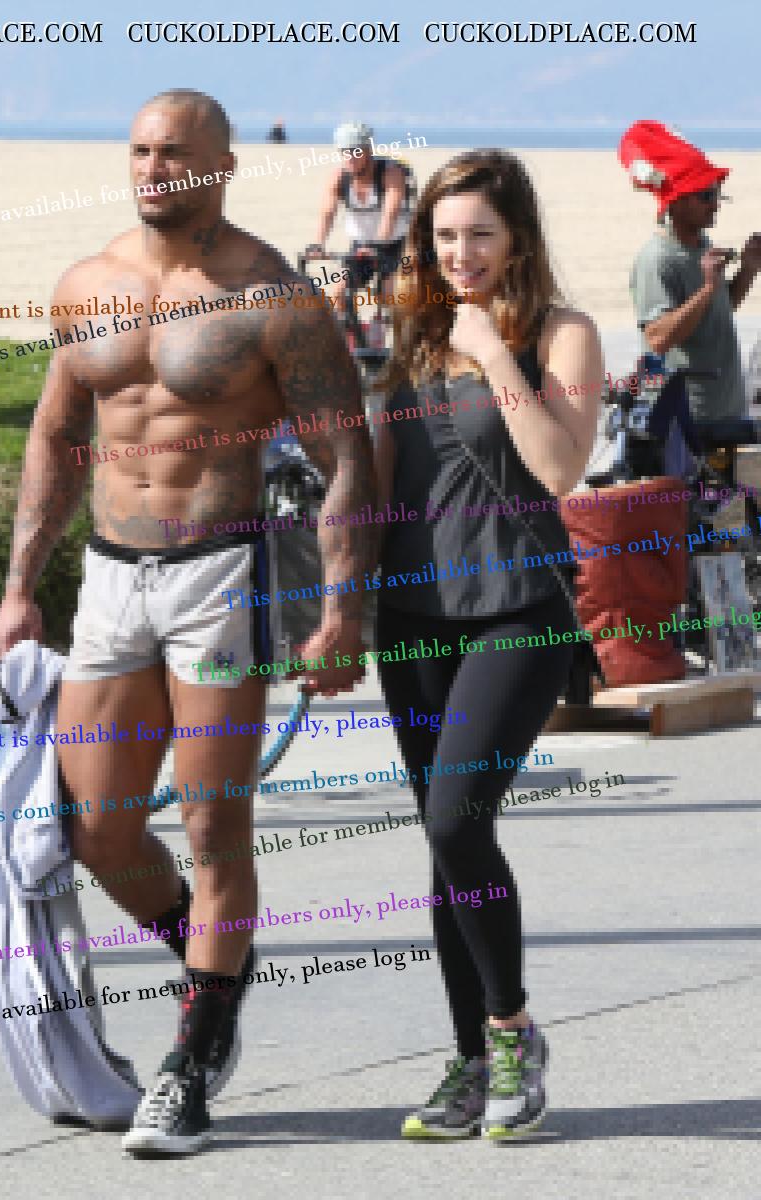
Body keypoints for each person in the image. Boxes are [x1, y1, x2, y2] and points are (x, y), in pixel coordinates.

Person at [0, 88, 374, 1157]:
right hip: (111, 580)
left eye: (174, 153)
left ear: (222, 165)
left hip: (220, 576)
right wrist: (20, 586)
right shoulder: (88, 286)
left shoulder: (275, 297)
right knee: (99, 833)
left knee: (212, 830)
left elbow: (345, 455)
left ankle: (190, 1065)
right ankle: (219, 967)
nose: (153, 169)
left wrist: (341, 609)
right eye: (140, 151)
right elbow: (56, 436)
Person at [374, 150, 603, 1140]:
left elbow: (559, 468)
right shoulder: (412, 336)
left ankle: (511, 1033)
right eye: (443, 237)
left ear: (517, 240)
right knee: (443, 840)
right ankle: (470, 1063)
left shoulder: (562, 332)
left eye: (478, 234)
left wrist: (494, 355)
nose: (459, 253)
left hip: (517, 610)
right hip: (410, 617)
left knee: (454, 817)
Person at [621, 120, 761, 421]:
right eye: (706, 196)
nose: (716, 205)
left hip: (725, 413)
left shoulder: (701, 246)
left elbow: (716, 311)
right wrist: (708, 288)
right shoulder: (657, 259)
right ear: (676, 201)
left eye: (717, 194)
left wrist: (748, 268)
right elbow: (658, 338)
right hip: (685, 422)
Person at [309, 121, 414, 301]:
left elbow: (391, 213)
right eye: (345, 152)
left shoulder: (391, 173)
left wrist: (378, 244)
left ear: (368, 151)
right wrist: (318, 245)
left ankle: (386, 317)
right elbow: (327, 213)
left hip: (395, 245)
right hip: (360, 245)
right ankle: (346, 320)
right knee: (340, 293)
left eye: (356, 152)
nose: (350, 157)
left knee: (387, 294)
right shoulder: (339, 177)